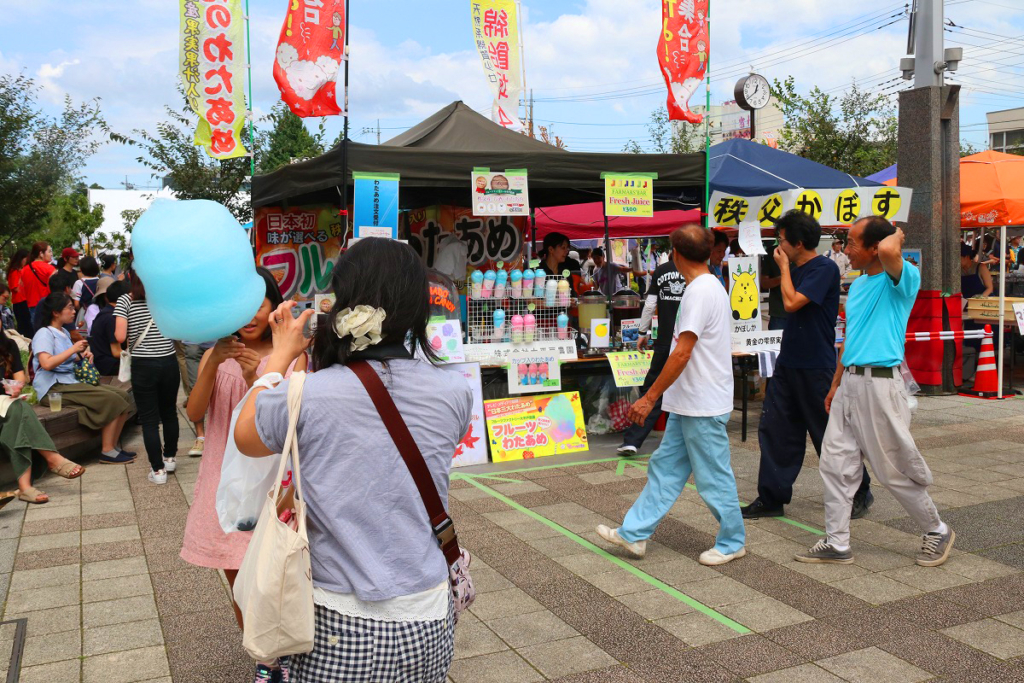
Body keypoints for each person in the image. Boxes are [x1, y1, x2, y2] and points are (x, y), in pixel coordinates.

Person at [234, 238, 472, 683]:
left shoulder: (306, 394)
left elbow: (245, 436)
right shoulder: (455, 392)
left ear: (341, 305)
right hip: (429, 614)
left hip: (338, 620)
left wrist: (281, 355)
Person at [795, 216, 954, 567]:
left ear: (874, 248)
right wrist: (836, 383)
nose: (845, 250)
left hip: (881, 385)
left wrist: (895, 233)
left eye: (852, 243)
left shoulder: (903, 278)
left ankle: (936, 529)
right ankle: (837, 542)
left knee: (892, 469)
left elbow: (886, 247)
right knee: (835, 464)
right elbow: (852, 337)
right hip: (851, 381)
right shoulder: (861, 284)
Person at [596, 225, 745, 567]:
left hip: (702, 402)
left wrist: (649, 397)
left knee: (713, 476)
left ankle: (733, 541)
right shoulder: (708, 286)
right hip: (692, 400)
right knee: (666, 469)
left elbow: (681, 352)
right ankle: (633, 534)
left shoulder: (699, 292)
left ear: (675, 254)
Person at [180, 267, 302, 680]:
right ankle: (264, 659)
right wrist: (214, 361)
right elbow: (195, 414)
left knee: (278, 574)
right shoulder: (220, 354)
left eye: (260, 305)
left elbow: (289, 423)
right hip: (225, 480)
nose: (251, 315)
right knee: (239, 581)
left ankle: (289, 651)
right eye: (242, 307)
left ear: (274, 306)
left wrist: (258, 378)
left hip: (275, 484)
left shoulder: (292, 354)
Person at [740, 211, 873, 520]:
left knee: (830, 434)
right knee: (776, 431)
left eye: (781, 240)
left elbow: (791, 302)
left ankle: (860, 490)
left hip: (817, 367)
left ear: (798, 243)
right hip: (787, 363)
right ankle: (772, 497)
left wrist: (784, 267)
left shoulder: (823, 268)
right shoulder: (797, 268)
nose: (778, 245)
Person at [31, 292, 135, 465]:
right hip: (54, 387)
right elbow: (47, 363)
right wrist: (73, 350)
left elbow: (66, 357)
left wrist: (83, 355)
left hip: (69, 382)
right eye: (70, 308)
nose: (74, 311)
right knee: (112, 400)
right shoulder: (44, 333)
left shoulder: (62, 331)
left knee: (123, 396)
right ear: (56, 312)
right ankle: (107, 450)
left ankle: (113, 447)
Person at [0, 333, 85, 503]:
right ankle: (52, 460)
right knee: (19, 412)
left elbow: (19, 378)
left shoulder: (8, 345)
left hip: (6, 405)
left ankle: (26, 487)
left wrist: (15, 388)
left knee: (18, 414)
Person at [616, 255, 686, 456]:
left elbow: (649, 305)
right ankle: (680, 442)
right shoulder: (696, 272)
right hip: (688, 341)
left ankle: (633, 441)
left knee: (653, 389)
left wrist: (641, 332)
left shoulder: (661, 271)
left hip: (664, 340)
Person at [114, 273, 180, 485]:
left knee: (150, 420)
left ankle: (158, 471)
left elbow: (120, 336)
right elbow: (177, 330)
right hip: (168, 361)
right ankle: (169, 458)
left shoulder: (126, 300)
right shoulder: (165, 299)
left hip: (143, 364)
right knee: (169, 412)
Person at [960, 243, 993, 381]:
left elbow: (989, 288)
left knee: (983, 339)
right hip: (967, 308)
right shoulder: (959, 270)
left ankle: (983, 370)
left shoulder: (981, 267)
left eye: (959, 257)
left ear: (967, 257)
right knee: (969, 338)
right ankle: (969, 370)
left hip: (983, 307)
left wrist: (979, 299)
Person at [88, 280, 129, 376]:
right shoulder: (112, 318)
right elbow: (116, 352)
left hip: (101, 363)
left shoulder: (105, 313)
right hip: (109, 366)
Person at [20, 242, 55, 326]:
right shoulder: (49, 268)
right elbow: (57, 286)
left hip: (32, 306)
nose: (51, 254)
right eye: (49, 251)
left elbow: (21, 288)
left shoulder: (24, 269)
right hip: (48, 305)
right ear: (41, 254)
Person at [7, 249, 32, 337]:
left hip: (25, 301)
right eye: (26, 259)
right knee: (24, 326)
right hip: (20, 302)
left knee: (28, 325)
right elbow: (16, 287)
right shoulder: (15, 271)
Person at [762, 250, 787, 331]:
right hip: (779, 313)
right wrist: (784, 275)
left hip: (800, 313)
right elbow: (764, 284)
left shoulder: (800, 252)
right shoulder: (772, 254)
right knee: (777, 342)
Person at [73, 256, 100, 328]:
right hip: (99, 312)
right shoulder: (101, 281)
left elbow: (76, 304)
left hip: (84, 312)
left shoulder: (79, 283)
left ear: (82, 269)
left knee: (83, 336)